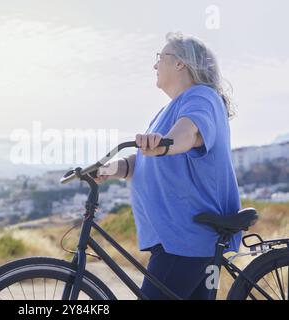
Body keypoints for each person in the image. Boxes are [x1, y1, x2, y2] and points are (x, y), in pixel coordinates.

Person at [94, 32, 241, 300]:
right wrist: (108, 168)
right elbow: (143, 162)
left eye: (160, 58)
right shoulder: (167, 112)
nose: (154, 65)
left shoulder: (201, 97)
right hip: (177, 239)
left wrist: (163, 144)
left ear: (180, 63)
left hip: (185, 239)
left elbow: (188, 135)